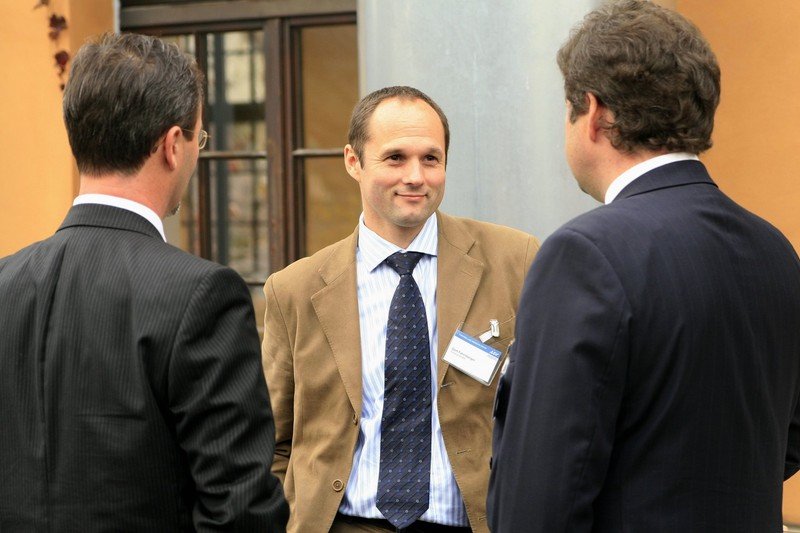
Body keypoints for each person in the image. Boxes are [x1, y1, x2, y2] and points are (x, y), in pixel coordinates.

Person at [487, 1, 800, 531]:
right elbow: (786, 437)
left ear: (594, 112)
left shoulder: (583, 255)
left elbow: (538, 500)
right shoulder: (774, 250)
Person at [0, 33, 288, 531]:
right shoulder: (202, 295)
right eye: (199, 139)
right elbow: (241, 511)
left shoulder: (6, 282)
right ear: (173, 146)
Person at [262, 85, 539, 533]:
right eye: (395, 158)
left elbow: (544, 411)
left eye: (431, 158)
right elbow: (274, 442)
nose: (415, 176)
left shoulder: (514, 260)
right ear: (353, 161)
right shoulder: (294, 289)